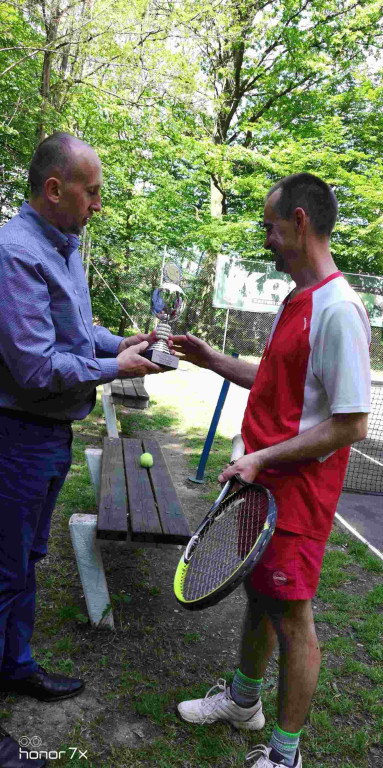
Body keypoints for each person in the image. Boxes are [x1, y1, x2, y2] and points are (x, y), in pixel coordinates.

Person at [172, 173, 371, 768]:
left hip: (297, 498)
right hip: (258, 488)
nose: (267, 238)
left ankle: (285, 754)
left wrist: (261, 456)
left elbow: (351, 424)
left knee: (291, 619)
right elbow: (278, 380)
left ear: (301, 223)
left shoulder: (339, 310)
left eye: (270, 226)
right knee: (260, 596)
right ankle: (242, 702)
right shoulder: (298, 299)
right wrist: (214, 361)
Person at [0, 132, 163, 768]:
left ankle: (14, 667)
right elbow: (36, 366)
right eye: (92, 191)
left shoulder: (64, 247)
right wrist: (113, 369)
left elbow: (76, 331)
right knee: (4, 574)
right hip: (15, 437)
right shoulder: (15, 253)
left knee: (25, 563)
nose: (99, 202)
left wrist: (126, 343)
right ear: (54, 189)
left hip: (48, 438)